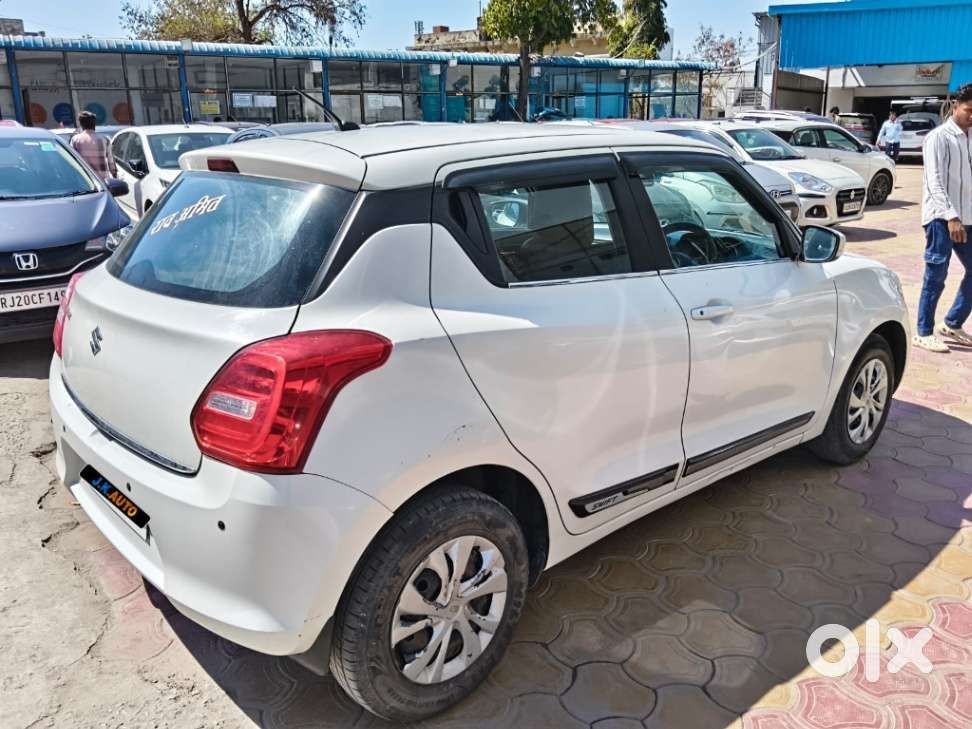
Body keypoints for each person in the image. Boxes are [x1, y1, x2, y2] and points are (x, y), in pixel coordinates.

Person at [913, 83, 972, 352]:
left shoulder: (970, 137)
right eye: (969, 110)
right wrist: (951, 216)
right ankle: (923, 331)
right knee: (936, 274)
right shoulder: (938, 137)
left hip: (968, 217)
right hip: (941, 218)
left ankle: (952, 322)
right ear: (956, 107)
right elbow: (934, 181)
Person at [69, 111, 116, 181]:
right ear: (94, 124)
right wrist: (115, 176)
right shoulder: (104, 139)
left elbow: (72, 161)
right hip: (103, 181)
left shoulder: (75, 140)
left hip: (85, 181)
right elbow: (111, 163)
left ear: (81, 124)